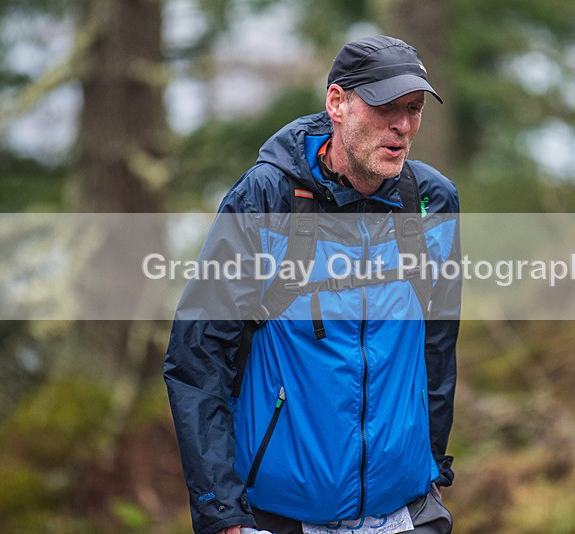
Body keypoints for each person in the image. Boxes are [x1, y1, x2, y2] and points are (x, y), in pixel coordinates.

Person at [164, 35, 460, 534]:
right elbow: (197, 360)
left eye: (413, 109)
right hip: (284, 515)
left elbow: (437, 345)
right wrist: (223, 515)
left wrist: (431, 463)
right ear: (337, 103)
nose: (403, 127)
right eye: (387, 106)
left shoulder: (431, 201)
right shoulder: (267, 195)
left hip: (404, 512)